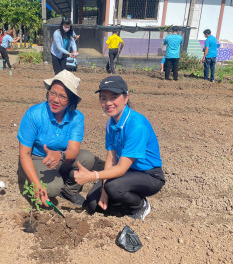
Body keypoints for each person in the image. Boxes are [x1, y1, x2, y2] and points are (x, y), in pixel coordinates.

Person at [74, 76, 165, 220]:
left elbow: (121, 168)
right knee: (92, 204)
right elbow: (111, 159)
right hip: (129, 173)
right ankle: (123, 203)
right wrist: (103, 190)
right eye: (103, 98)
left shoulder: (136, 125)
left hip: (149, 175)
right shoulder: (111, 123)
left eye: (114, 97)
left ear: (126, 97)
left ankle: (140, 205)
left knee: (114, 188)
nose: (108, 103)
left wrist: (93, 176)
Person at [17, 70, 94, 207]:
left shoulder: (77, 117)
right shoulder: (34, 114)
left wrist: (60, 155)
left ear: (71, 100)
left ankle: (69, 191)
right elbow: (24, 154)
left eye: (62, 96)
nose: (55, 100)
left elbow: (73, 150)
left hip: (60, 158)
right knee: (53, 188)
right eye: (53, 93)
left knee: (87, 158)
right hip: (36, 158)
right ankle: (30, 180)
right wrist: (36, 185)